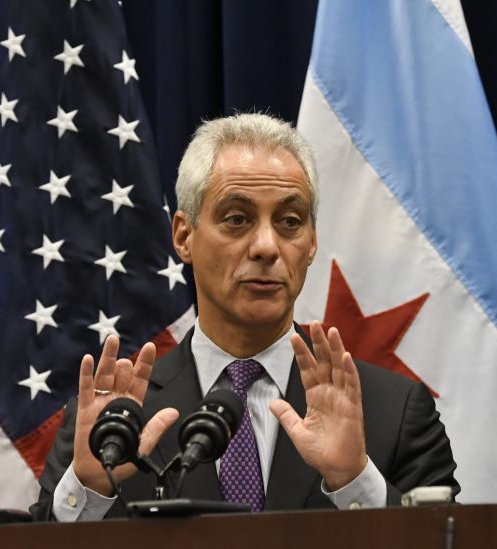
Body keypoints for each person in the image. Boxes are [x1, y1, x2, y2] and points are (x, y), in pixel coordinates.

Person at [30, 113, 459, 521]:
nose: (267, 247)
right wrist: (90, 487)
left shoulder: (394, 412)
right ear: (184, 236)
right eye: (237, 219)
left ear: (311, 242)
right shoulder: (115, 423)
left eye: (290, 222)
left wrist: (353, 482)